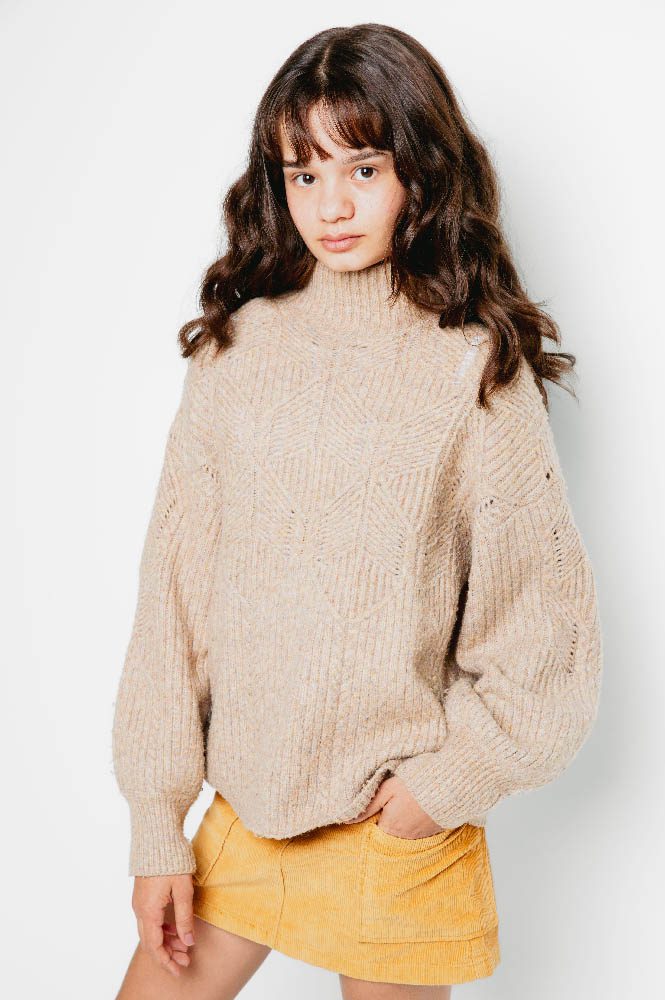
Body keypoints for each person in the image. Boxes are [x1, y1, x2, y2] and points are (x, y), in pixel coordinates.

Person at [111, 22, 603, 1000]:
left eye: (362, 169)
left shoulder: (474, 370)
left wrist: (439, 789)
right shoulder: (236, 353)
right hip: (244, 816)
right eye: (303, 174)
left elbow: (543, 643)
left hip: (395, 835)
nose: (329, 206)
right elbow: (172, 606)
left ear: (421, 170)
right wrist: (156, 823)